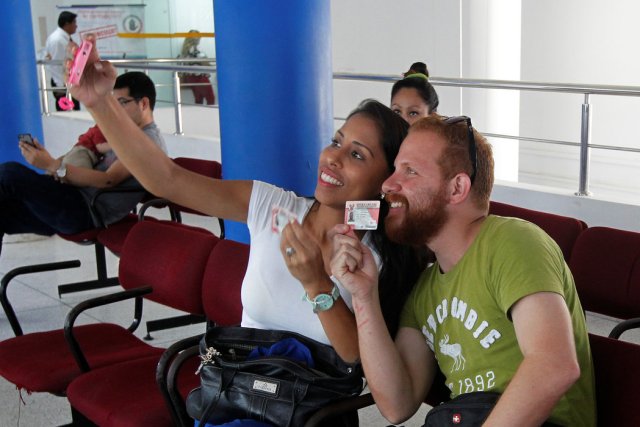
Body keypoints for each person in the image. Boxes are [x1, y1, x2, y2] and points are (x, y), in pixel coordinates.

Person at [67, 37, 426, 363]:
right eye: (336, 141)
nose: (333, 157)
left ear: (385, 181)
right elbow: (167, 179)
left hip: (311, 407)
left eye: (358, 155)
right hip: (240, 391)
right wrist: (100, 102)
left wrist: (316, 282)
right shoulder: (273, 206)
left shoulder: (375, 258)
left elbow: (356, 360)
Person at [330, 115, 597, 426]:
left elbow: (554, 366)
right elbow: (396, 405)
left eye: (410, 171)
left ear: (457, 187)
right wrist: (364, 295)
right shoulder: (426, 290)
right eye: (394, 170)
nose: (388, 184)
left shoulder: (513, 242)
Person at [0, 71, 166, 252]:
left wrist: (51, 165)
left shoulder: (147, 142)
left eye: (122, 103)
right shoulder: (124, 134)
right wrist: (55, 164)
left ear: (143, 103)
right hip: (70, 198)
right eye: (113, 104)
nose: (116, 110)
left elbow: (108, 180)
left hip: (85, 211)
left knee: (9, 173)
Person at [45, 11, 80, 111]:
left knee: (74, 110)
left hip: (69, 81)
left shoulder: (65, 38)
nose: (76, 26)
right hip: (62, 82)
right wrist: (61, 85)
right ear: (67, 24)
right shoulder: (57, 40)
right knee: (67, 113)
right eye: (74, 22)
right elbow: (56, 64)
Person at [178, 30, 216, 105]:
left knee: (198, 99)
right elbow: (206, 65)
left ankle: (199, 115)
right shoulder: (196, 53)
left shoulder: (184, 53)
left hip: (191, 79)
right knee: (211, 98)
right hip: (200, 78)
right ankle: (209, 115)